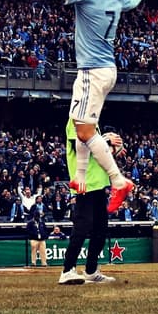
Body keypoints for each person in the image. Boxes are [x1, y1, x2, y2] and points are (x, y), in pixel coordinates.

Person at [9, 0, 145, 214]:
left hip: (91, 72)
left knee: (84, 132)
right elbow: (131, 2)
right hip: (107, 70)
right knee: (79, 123)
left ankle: (118, 181)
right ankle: (80, 177)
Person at [56, 121, 124, 285]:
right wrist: (106, 142)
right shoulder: (76, 120)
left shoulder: (94, 124)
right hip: (85, 184)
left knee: (101, 229)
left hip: (99, 184)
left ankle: (91, 270)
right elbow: (80, 144)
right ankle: (67, 270)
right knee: (82, 226)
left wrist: (109, 150)